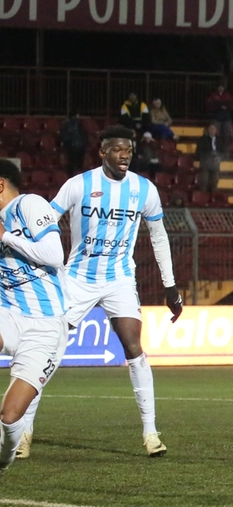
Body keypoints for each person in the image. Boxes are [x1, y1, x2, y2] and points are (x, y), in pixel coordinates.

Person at [19, 127, 183, 459]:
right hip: (77, 279)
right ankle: (23, 432)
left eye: (129, 150)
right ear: (102, 152)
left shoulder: (144, 189)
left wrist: (170, 285)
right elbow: (47, 220)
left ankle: (151, 433)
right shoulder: (79, 185)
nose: (125, 155)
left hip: (119, 279)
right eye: (118, 149)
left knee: (135, 347)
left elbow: (159, 236)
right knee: (46, 348)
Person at [0, 160, 69, 475]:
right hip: (9, 314)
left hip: (46, 325)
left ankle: (5, 457)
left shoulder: (28, 204)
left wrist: (7, 238)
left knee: (11, 416)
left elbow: (55, 255)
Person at [205, 83, 233, 150]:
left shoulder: (228, 95)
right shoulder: (213, 95)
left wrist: (226, 107)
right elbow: (209, 105)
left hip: (226, 118)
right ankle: (215, 148)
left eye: (222, 87)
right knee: (215, 135)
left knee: (226, 135)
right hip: (216, 117)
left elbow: (232, 105)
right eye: (219, 86)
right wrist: (219, 106)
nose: (221, 88)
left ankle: (225, 150)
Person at [195, 124, 222, 193]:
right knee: (204, 180)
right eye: (211, 129)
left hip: (216, 162)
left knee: (215, 180)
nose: (212, 130)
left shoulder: (219, 140)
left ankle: (213, 196)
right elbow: (199, 151)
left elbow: (224, 151)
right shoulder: (202, 139)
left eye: (214, 129)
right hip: (205, 161)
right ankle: (203, 196)